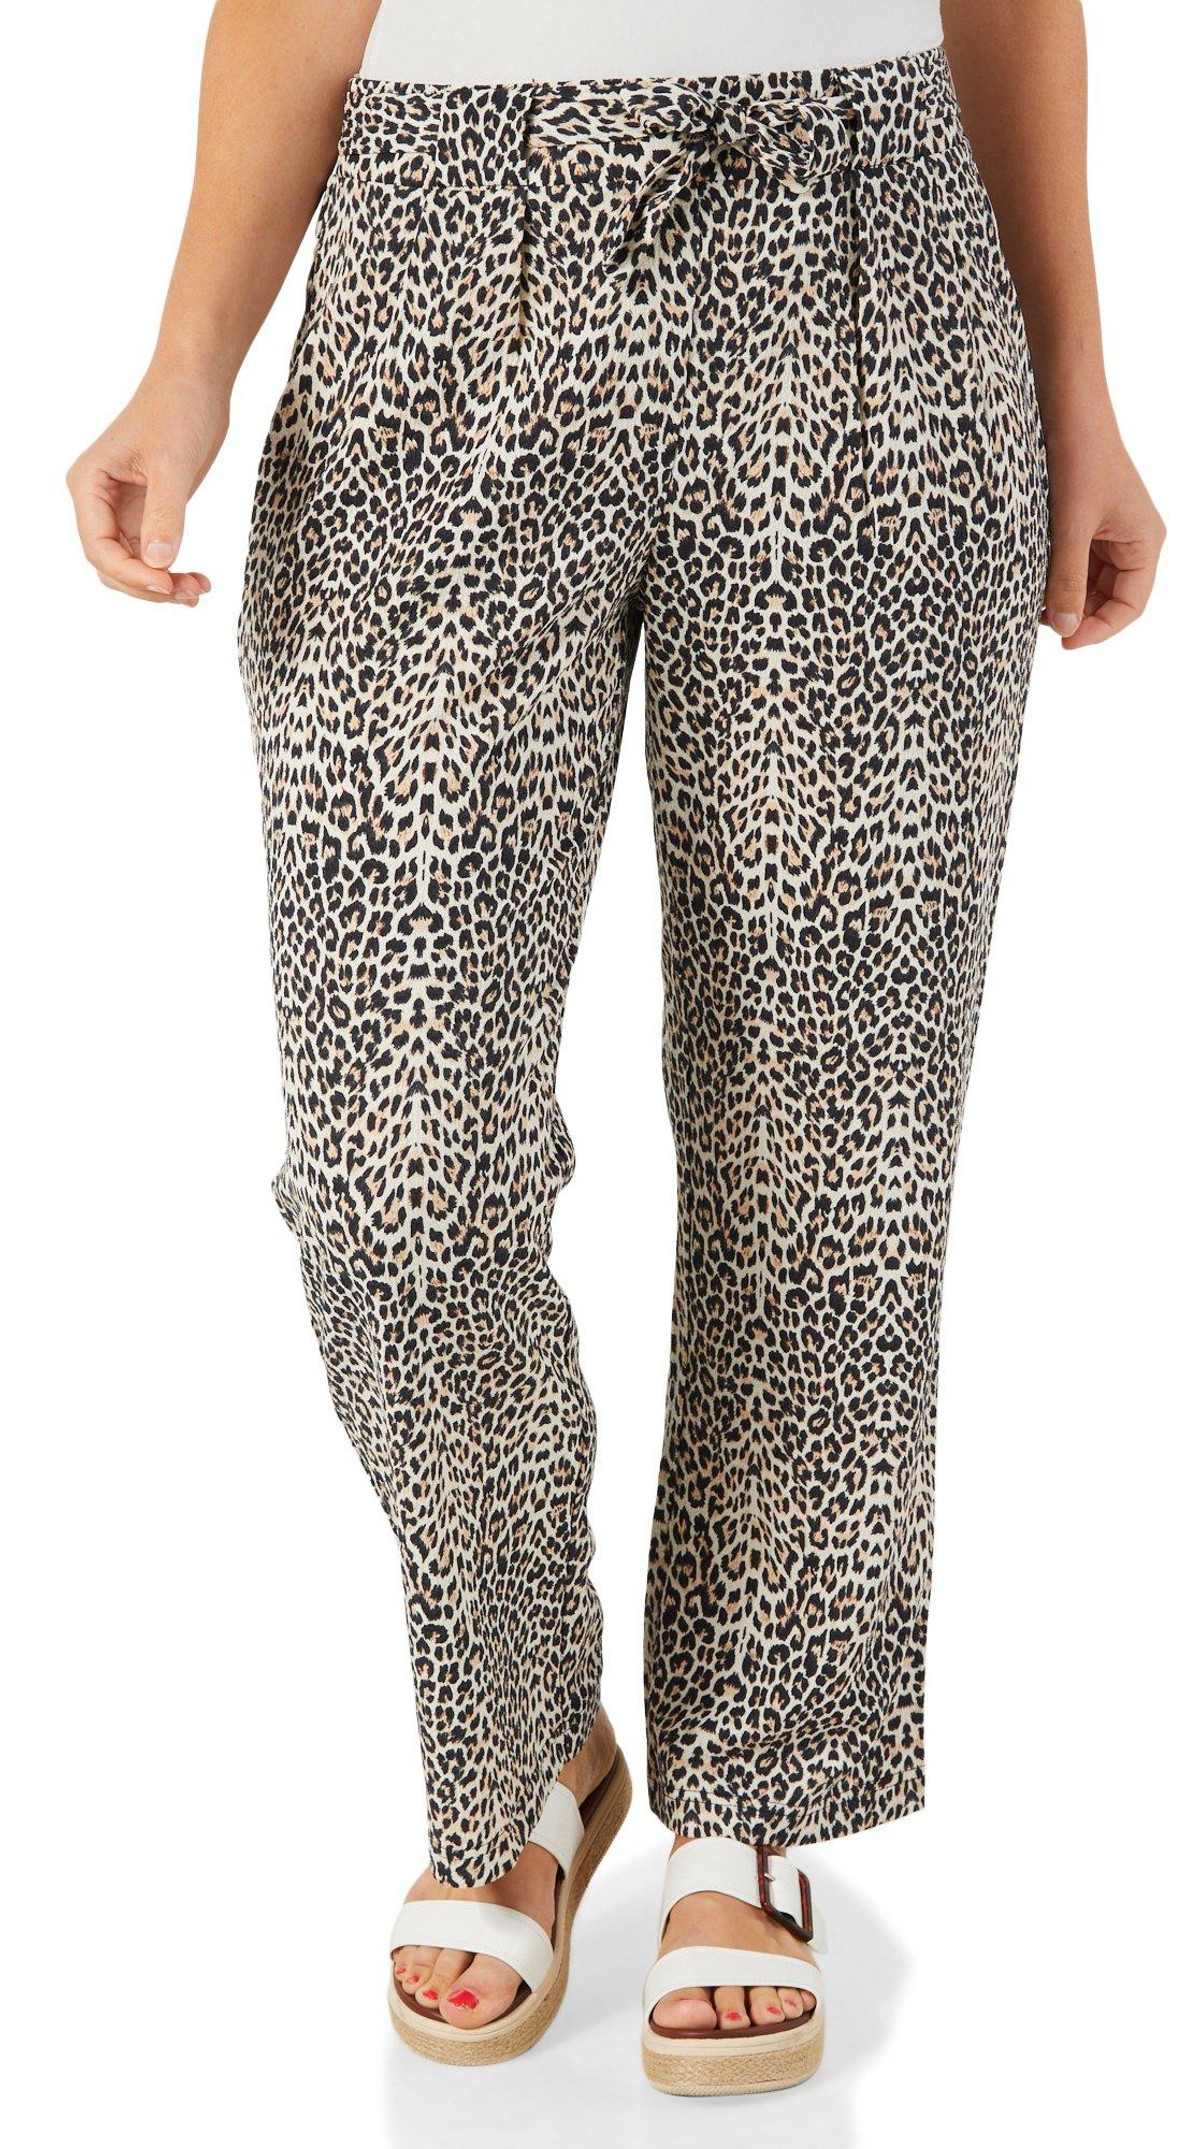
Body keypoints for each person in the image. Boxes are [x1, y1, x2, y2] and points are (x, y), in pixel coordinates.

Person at [66, 0, 1164, 2098]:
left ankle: (752, 1795)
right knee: (394, 1165)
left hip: (863, 256)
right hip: (435, 287)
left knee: (834, 1136)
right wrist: (190, 360)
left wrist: (1078, 383)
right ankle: (519, 1735)